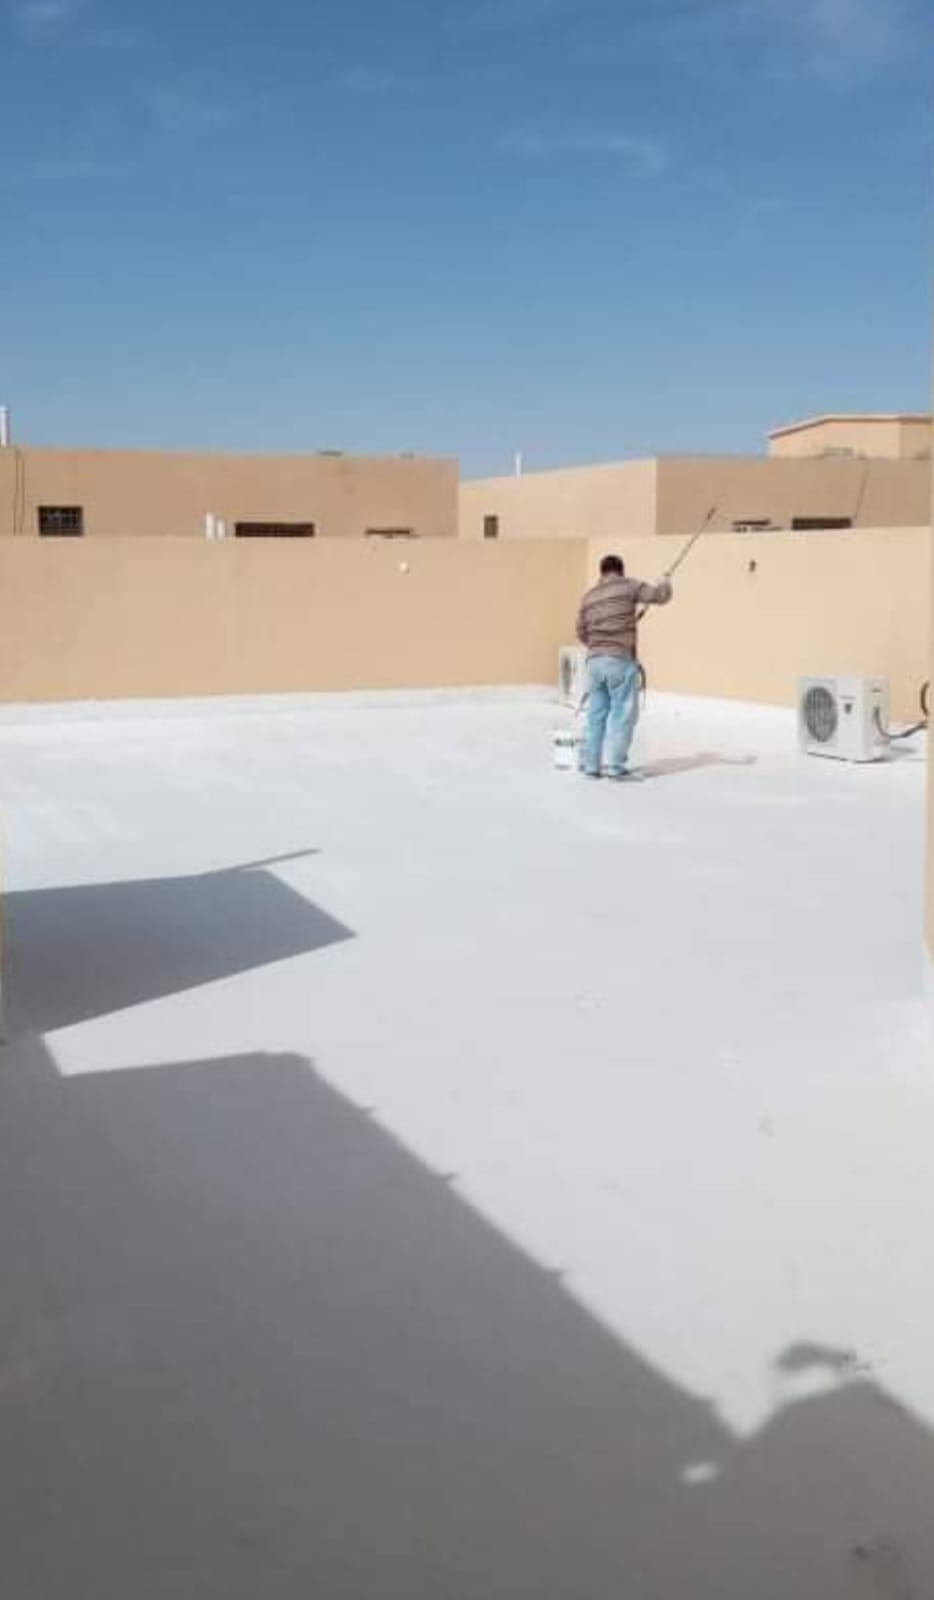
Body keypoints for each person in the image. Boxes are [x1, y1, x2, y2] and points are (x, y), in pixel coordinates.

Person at [575, 554, 672, 779]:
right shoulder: (629, 586)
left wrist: (598, 645)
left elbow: (580, 631)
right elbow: (659, 596)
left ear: (602, 572)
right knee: (622, 714)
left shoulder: (588, 597)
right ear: (621, 570)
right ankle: (615, 767)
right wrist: (665, 582)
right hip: (619, 660)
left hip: (595, 662)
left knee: (595, 715)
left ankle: (591, 766)